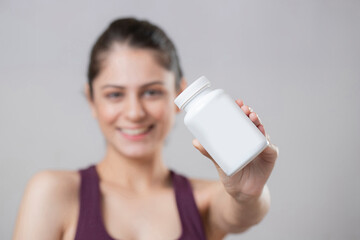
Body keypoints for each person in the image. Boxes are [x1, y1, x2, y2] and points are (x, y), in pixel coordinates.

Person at [12, 17, 278, 240]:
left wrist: (248, 191)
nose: (135, 113)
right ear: (92, 100)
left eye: (151, 92)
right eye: (115, 95)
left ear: (179, 96)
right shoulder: (53, 192)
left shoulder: (205, 200)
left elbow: (246, 210)